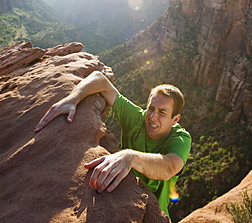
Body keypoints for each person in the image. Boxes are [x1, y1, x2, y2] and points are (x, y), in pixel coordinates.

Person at [35, 71, 191, 218]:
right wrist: (73, 99)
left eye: (162, 112)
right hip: (119, 199)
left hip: (153, 213)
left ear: (175, 119)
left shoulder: (180, 138)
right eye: (151, 108)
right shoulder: (137, 118)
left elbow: (170, 167)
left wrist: (130, 157)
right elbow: (100, 79)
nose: (152, 117)